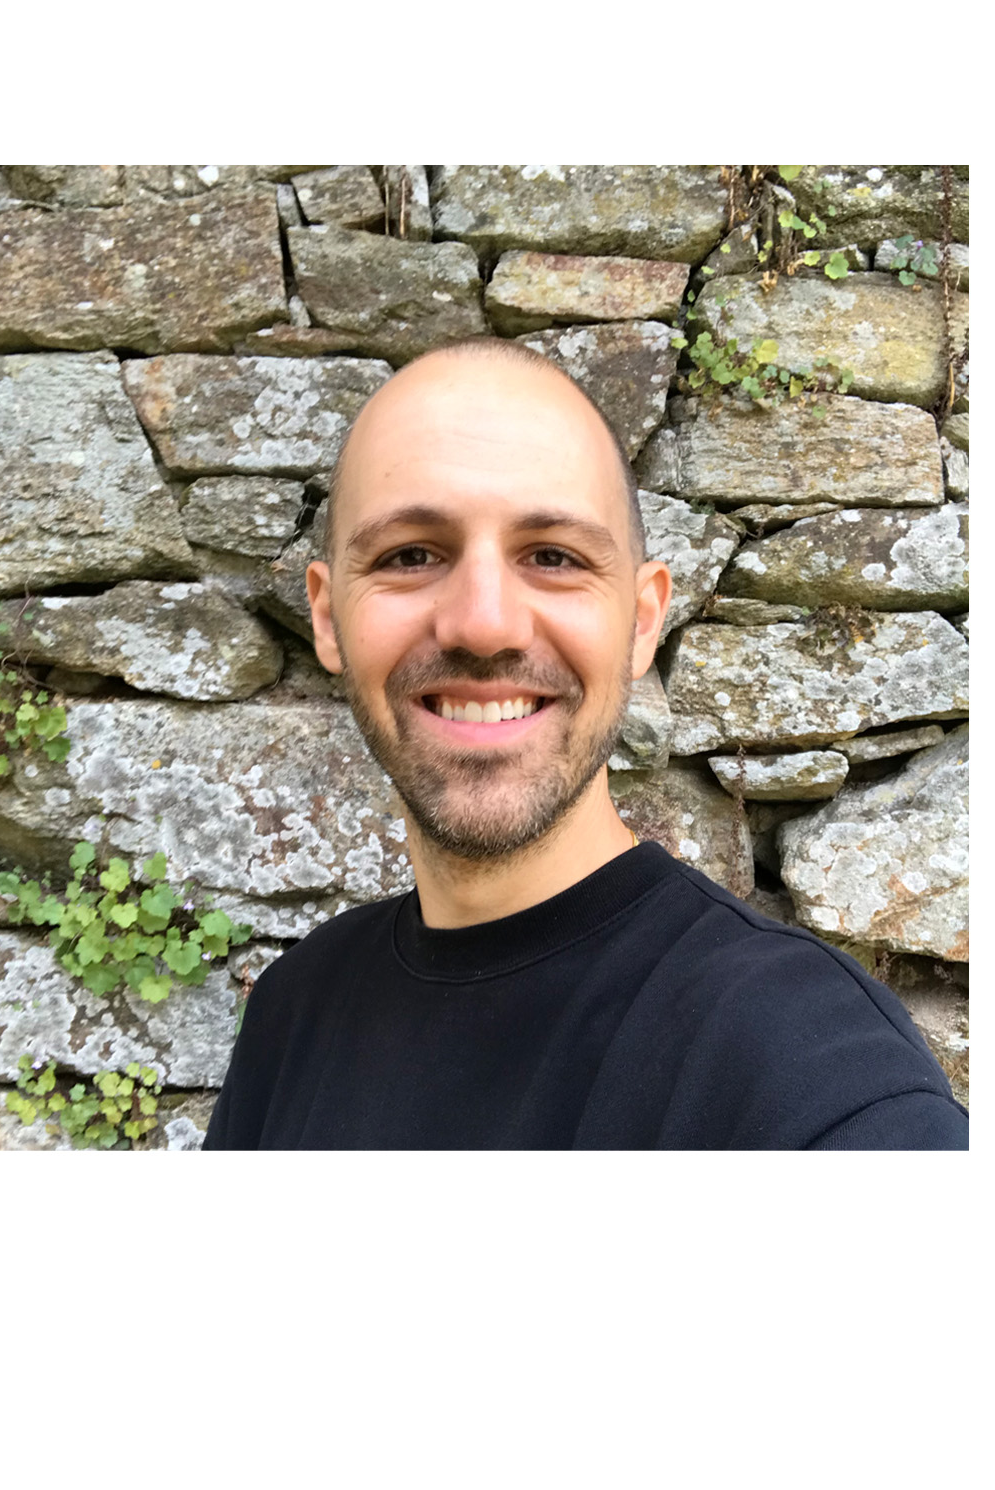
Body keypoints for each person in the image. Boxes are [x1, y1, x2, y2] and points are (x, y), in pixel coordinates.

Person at [204, 339, 967, 1150]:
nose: (483, 623)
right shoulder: (296, 1010)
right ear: (327, 617)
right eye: (411, 555)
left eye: (554, 557)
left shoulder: (812, 1075)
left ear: (642, 622)